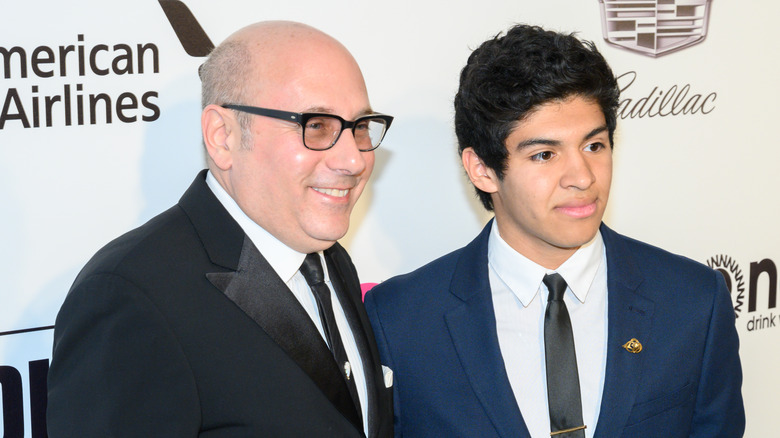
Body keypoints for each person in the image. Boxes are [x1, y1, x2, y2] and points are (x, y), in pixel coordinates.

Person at [364, 24, 744, 438]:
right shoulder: (400, 320)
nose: (582, 177)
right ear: (482, 169)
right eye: (545, 154)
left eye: (593, 146)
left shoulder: (693, 302)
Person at [47, 21, 393, 437]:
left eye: (359, 127)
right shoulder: (131, 297)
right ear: (222, 136)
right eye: (316, 126)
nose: (354, 160)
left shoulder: (329, 260)